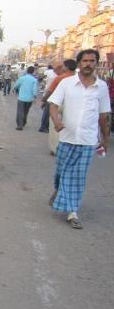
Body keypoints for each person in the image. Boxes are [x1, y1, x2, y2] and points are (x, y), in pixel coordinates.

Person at [48, 49, 111, 229]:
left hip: (88, 140)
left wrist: (105, 139)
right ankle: (59, 190)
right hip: (67, 138)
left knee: (78, 177)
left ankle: (72, 212)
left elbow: (104, 115)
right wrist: (57, 121)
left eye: (92, 61)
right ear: (79, 63)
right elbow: (53, 105)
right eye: (85, 61)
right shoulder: (67, 83)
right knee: (61, 172)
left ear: (96, 63)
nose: (88, 64)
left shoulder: (102, 87)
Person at [43, 60, 78, 155]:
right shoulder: (79, 79)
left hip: (59, 105)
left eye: (63, 66)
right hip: (73, 106)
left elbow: (50, 91)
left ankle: (55, 148)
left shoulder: (60, 78)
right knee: (69, 126)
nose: (62, 68)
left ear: (66, 67)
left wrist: (44, 100)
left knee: (55, 126)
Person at [38, 64, 63, 133]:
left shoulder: (57, 76)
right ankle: (44, 127)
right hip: (51, 97)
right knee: (47, 112)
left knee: (46, 112)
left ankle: (44, 126)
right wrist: (44, 98)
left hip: (52, 96)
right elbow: (49, 89)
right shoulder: (55, 77)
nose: (55, 72)